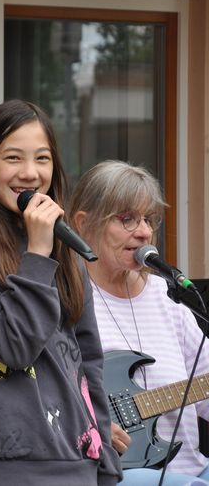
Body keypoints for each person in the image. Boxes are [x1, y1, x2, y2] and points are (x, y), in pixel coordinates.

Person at [0, 99, 123, 485]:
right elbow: (13, 346)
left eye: (42, 159)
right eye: (13, 158)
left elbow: (87, 359)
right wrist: (37, 253)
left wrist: (104, 460)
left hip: (77, 459)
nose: (30, 173)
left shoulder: (60, 241)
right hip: (6, 461)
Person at [71, 160, 209, 485]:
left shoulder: (167, 297)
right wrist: (90, 424)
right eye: (127, 219)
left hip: (192, 472)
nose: (145, 232)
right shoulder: (65, 299)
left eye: (149, 219)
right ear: (83, 223)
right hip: (112, 475)